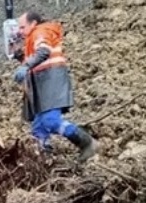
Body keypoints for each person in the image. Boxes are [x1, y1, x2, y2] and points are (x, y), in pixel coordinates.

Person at [12, 10, 98, 162]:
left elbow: (43, 51)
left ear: (33, 23)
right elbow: (35, 59)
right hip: (43, 83)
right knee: (39, 126)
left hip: (51, 80)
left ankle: (86, 142)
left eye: (22, 27)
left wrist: (25, 66)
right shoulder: (33, 37)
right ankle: (43, 161)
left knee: (50, 120)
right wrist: (20, 56)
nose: (20, 31)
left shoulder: (40, 31)